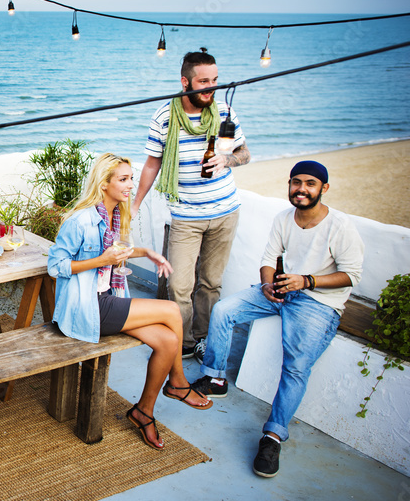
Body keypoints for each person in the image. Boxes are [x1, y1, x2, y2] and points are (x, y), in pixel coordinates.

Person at [192, 161, 363, 478]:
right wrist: (268, 284)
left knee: (296, 365)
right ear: (289, 185)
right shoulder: (284, 218)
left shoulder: (340, 226)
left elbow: (351, 275)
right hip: (280, 291)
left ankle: (273, 436)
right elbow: (269, 259)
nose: (302, 189)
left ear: (323, 189)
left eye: (310, 183)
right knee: (225, 310)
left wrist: (306, 281)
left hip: (316, 300)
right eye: (296, 182)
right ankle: (215, 378)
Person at [48, 153, 212, 451]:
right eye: (123, 179)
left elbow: (119, 251)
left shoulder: (113, 215)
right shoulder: (81, 220)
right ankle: (177, 384)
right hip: (88, 308)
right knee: (171, 309)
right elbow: (56, 266)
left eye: (131, 178)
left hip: (108, 298)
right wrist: (101, 260)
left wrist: (147, 253)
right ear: (104, 183)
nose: (130, 185)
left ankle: (143, 412)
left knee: (166, 341)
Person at [131, 48, 250, 358]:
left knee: (211, 283)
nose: (211, 88)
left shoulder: (224, 112)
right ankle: (181, 343)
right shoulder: (163, 117)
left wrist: (227, 159)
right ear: (185, 82)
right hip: (185, 216)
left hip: (225, 213)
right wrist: (133, 205)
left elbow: (244, 154)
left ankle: (203, 338)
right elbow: (152, 165)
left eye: (215, 80)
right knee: (178, 286)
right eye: (203, 82)